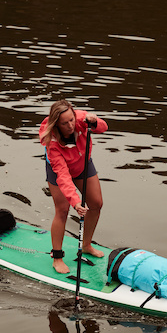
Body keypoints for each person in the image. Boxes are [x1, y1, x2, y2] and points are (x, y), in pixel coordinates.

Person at [39, 100, 108, 274]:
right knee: (62, 210)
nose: (70, 125)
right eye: (64, 123)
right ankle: (57, 258)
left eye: (71, 120)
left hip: (82, 162)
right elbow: (63, 177)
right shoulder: (52, 143)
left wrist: (94, 121)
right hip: (59, 170)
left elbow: (103, 128)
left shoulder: (81, 118)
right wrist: (76, 202)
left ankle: (86, 245)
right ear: (56, 124)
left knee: (96, 204)